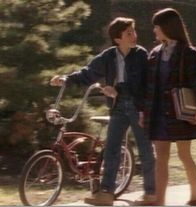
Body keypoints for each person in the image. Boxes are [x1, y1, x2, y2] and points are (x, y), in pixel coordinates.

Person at [50, 17, 156, 206]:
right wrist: (66, 79)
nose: (134, 36)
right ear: (117, 39)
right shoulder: (108, 56)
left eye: (134, 31)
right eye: (129, 33)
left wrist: (141, 109)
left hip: (137, 107)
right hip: (117, 107)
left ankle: (151, 193)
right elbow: (88, 74)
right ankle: (106, 192)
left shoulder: (141, 55)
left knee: (145, 149)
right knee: (111, 149)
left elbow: (147, 85)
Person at [144, 8, 196, 206]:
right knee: (161, 158)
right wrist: (143, 111)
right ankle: (160, 201)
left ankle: (195, 194)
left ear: (167, 27)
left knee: (184, 155)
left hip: (180, 112)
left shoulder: (188, 53)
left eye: (157, 26)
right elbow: (149, 86)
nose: (155, 31)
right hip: (158, 112)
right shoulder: (155, 53)